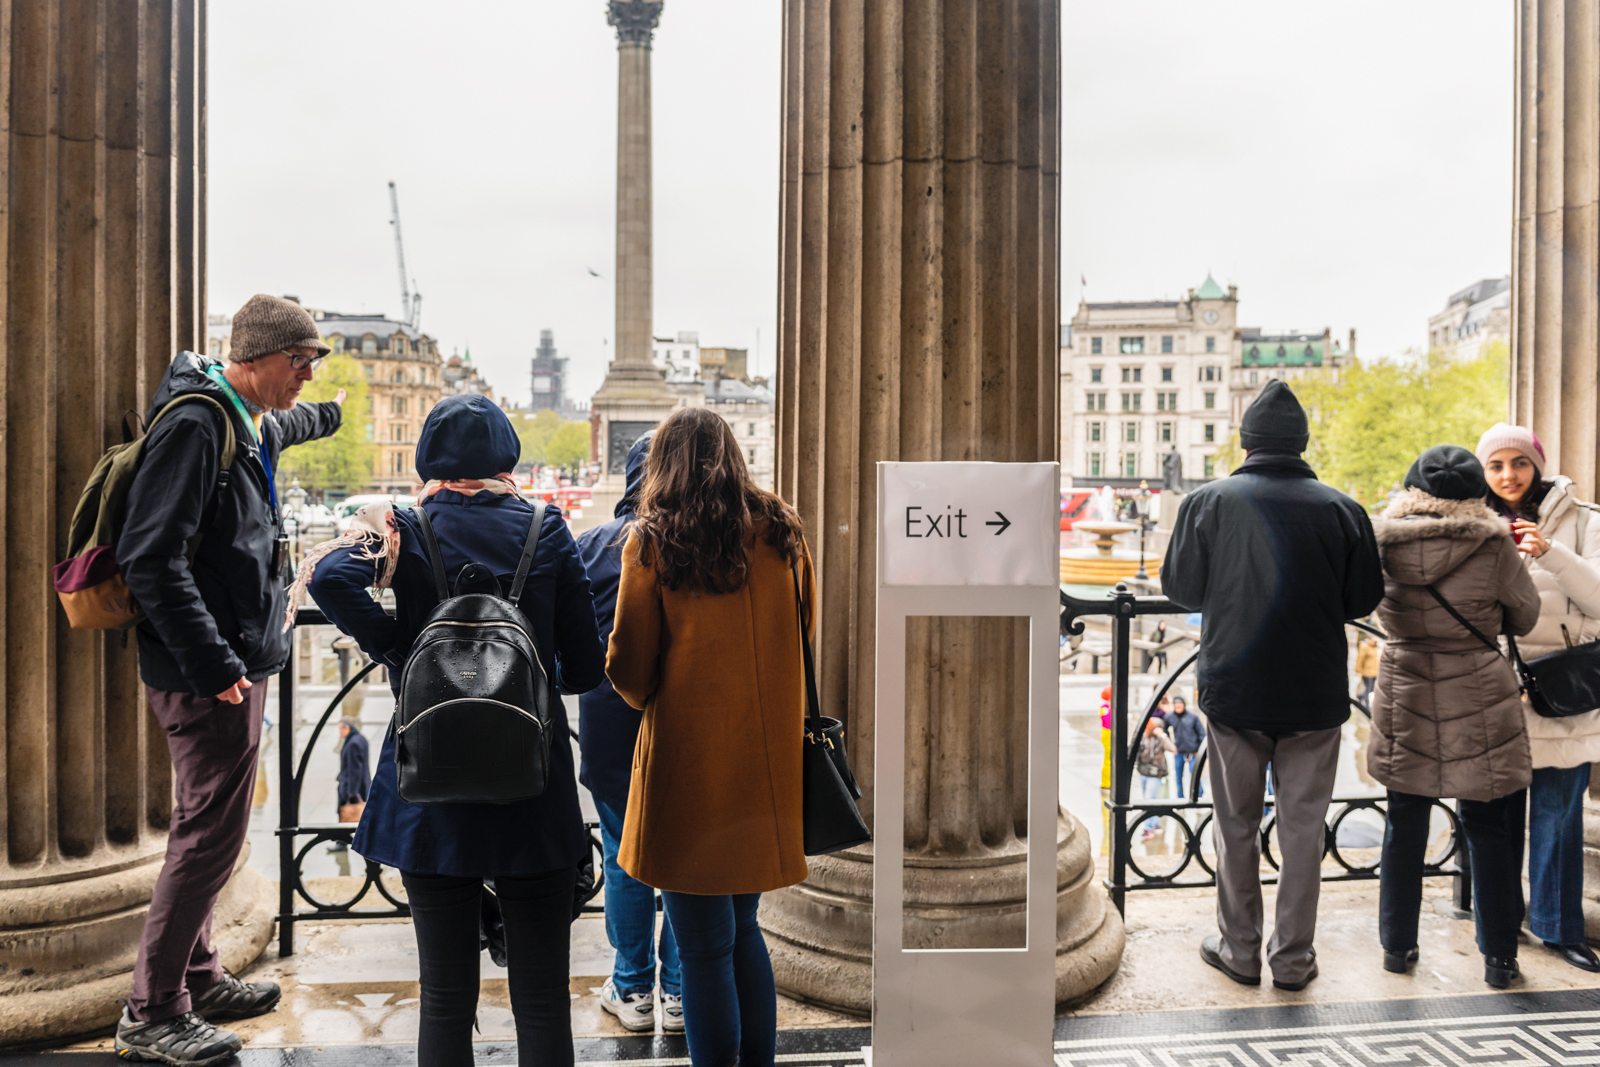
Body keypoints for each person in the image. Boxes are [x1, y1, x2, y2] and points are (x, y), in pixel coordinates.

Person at [306, 393, 606, 1067]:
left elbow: (327, 575)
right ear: (505, 453)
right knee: (541, 1000)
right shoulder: (547, 527)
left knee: (444, 997)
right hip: (533, 785)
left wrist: (398, 646)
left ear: (431, 458)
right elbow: (585, 668)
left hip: (430, 787)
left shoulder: (403, 525)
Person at [114, 295, 345, 1064]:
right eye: (300, 362)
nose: (307, 377)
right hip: (209, 674)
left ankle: (201, 972)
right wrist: (216, 664)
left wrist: (332, 417)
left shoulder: (239, 417)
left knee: (213, 828)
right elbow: (150, 555)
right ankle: (153, 1008)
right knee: (207, 837)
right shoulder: (196, 424)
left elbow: (289, 425)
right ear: (259, 358)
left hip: (229, 663)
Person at [605, 407, 813, 1067]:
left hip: (688, 771)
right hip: (766, 766)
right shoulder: (784, 533)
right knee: (744, 928)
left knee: (700, 947)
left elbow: (631, 669)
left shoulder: (653, 541)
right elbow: (803, 639)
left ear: (663, 463)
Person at [1161, 379, 1383, 992]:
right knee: (1304, 831)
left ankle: (1238, 950)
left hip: (1235, 689)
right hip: (1313, 695)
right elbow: (1364, 598)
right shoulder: (1343, 509)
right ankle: (1292, 961)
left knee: (1234, 825)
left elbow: (1180, 589)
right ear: (1302, 442)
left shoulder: (1207, 502)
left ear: (1247, 441)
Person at [1368, 445, 1540, 989]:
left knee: (1404, 823)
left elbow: (1367, 604)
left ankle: (1397, 947)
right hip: (1478, 692)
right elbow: (1527, 615)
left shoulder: (1380, 545)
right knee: (1487, 826)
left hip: (1405, 685)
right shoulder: (1493, 544)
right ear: (1475, 492)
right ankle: (1499, 958)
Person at [1478, 423, 1600, 973]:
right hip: (1494, 693)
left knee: (1559, 814)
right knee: (1497, 820)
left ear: (1538, 465)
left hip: (1562, 692)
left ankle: (1557, 928)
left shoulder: (1584, 521)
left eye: (1519, 463)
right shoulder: (1471, 524)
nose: (1509, 475)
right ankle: (1500, 930)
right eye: (1496, 465)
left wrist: (1550, 553)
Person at [574, 433, 684, 1033]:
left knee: (623, 859)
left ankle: (632, 986)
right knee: (686, 860)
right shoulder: (699, 544)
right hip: (683, 728)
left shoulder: (593, 547)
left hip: (613, 729)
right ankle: (677, 990)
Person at [329, 716, 370, 854]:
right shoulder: (360, 739)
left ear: (347, 727)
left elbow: (354, 769)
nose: (339, 732)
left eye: (340, 728)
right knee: (350, 816)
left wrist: (351, 792)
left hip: (351, 788)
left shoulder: (353, 743)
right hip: (358, 785)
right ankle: (342, 842)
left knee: (346, 815)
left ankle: (343, 843)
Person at [1135, 718, 1176, 837]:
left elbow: (1173, 749)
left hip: (1155, 774)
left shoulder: (1161, 739)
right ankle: (1156, 824)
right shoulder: (1143, 738)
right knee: (1149, 800)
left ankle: (1148, 829)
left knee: (1149, 800)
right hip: (1143, 773)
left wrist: (1162, 735)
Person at [1166, 694, 1206, 799]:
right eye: (1176, 704)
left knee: (1194, 774)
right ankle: (1180, 798)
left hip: (1193, 752)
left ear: (1184, 705)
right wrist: (1171, 745)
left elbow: (1202, 734)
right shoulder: (1170, 717)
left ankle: (1199, 795)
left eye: (1180, 704)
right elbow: (1164, 731)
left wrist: (1199, 750)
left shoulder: (1193, 717)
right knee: (1178, 777)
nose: (1178, 706)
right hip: (1179, 752)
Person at [1353, 635, 1380, 712]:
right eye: (1375, 637)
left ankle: (1360, 696)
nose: (1376, 638)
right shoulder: (1364, 646)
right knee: (1368, 689)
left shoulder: (1376, 646)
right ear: (1371, 637)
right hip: (1367, 673)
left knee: (1372, 689)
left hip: (1375, 672)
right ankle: (1367, 705)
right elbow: (1360, 659)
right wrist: (1357, 670)